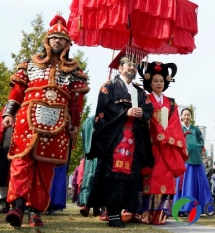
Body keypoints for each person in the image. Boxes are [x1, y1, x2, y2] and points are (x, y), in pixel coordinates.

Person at [1, 15, 89, 227]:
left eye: (61, 38)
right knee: (22, 162)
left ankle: (36, 210)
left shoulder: (75, 71)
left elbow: (76, 104)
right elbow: (17, 92)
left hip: (57, 122)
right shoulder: (30, 64)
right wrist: (8, 114)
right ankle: (18, 207)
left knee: (45, 168)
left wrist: (73, 125)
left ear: (67, 43)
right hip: (27, 118)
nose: (57, 41)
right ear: (47, 41)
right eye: (53, 37)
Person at [85, 49, 154, 228]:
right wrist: (126, 112)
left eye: (134, 64)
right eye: (128, 64)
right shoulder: (108, 86)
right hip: (115, 137)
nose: (132, 67)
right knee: (113, 175)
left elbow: (148, 108)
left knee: (131, 174)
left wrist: (142, 113)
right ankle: (113, 212)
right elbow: (104, 109)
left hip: (134, 139)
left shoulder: (140, 91)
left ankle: (126, 210)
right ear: (120, 68)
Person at [133, 61, 187, 224]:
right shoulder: (145, 99)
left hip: (167, 147)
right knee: (150, 176)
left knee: (165, 178)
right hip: (151, 146)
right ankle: (145, 213)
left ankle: (160, 214)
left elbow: (175, 124)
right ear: (149, 82)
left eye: (161, 81)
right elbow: (144, 120)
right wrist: (157, 134)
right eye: (155, 81)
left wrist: (166, 136)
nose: (158, 84)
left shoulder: (172, 103)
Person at [173, 108, 213, 215]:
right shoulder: (177, 128)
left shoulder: (195, 129)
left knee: (197, 184)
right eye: (184, 115)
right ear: (181, 116)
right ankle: (182, 207)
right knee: (184, 184)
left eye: (188, 115)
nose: (186, 117)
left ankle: (197, 207)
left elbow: (201, 142)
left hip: (196, 160)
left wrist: (195, 148)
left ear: (191, 117)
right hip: (183, 160)